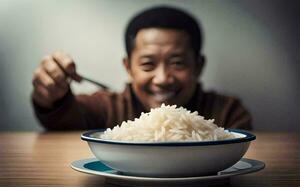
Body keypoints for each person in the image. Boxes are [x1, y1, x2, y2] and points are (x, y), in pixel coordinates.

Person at [31, 6, 252, 130]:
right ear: (128, 67)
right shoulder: (108, 107)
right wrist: (50, 95)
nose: (162, 78)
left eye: (177, 63)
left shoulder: (228, 112)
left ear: (198, 65)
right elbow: (63, 116)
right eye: (148, 64)